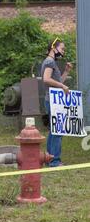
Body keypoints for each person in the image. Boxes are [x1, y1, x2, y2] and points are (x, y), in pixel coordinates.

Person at [41, 38, 73, 167]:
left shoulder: (52, 62)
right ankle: (54, 161)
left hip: (53, 100)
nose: (63, 51)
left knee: (54, 131)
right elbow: (46, 79)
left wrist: (66, 71)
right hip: (52, 101)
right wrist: (63, 86)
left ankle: (49, 158)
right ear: (54, 48)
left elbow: (59, 83)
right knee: (58, 130)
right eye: (62, 48)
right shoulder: (49, 62)